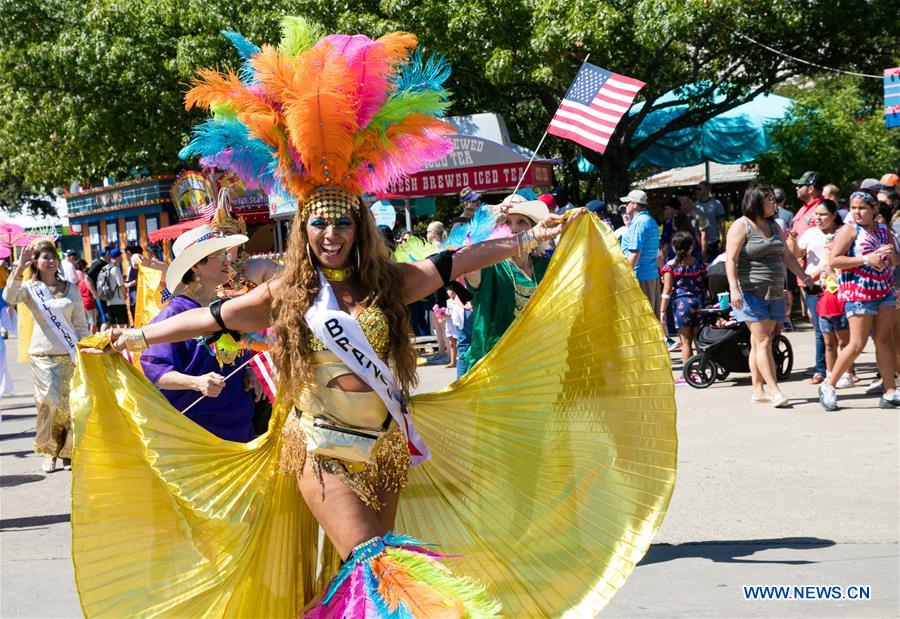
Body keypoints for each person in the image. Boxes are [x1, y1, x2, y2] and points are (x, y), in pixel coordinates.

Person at [71, 28, 676, 618]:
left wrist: (529, 238)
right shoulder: (287, 294)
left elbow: (459, 259)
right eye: (318, 223)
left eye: (342, 223)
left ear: (359, 228)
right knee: (376, 564)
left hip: (384, 447)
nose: (330, 233)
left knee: (359, 574)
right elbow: (208, 319)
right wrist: (132, 335)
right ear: (303, 231)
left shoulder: (391, 284)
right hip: (320, 448)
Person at [140, 225, 260, 442]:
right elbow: (154, 369)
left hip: (240, 428)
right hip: (198, 436)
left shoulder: (226, 307)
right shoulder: (175, 312)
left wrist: (248, 370)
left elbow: (234, 353)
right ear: (196, 265)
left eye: (225, 254)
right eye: (218, 256)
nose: (226, 261)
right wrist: (196, 382)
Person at [3, 239, 89, 472]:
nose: (50, 261)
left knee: (71, 405)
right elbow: (9, 297)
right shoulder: (30, 289)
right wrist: (18, 269)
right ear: (36, 262)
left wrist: (84, 348)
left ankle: (68, 453)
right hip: (43, 356)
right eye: (45, 257)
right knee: (49, 404)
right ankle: (50, 451)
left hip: (69, 354)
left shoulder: (70, 288)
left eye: (53, 257)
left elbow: (80, 324)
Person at [726, 183, 812, 408]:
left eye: (774, 199)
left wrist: (804, 276)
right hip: (751, 292)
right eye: (769, 199)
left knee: (758, 341)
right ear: (756, 201)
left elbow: (787, 256)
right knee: (764, 340)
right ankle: (775, 390)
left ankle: (757, 390)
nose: (774, 203)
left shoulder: (774, 225)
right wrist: (734, 288)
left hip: (774, 291)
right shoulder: (741, 226)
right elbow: (731, 259)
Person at [818, 192, 899, 411]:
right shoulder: (849, 230)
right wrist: (866, 259)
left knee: (884, 340)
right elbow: (834, 260)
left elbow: (894, 260)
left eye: (862, 208)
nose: (856, 212)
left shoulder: (883, 230)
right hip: (858, 293)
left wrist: (889, 254)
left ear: (874, 209)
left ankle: (890, 391)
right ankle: (829, 385)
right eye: (853, 208)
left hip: (884, 291)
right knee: (856, 344)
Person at [463, 199, 551, 368]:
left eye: (521, 222)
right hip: (495, 367)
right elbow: (464, 259)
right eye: (507, 222)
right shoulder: (488, 266)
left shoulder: (545, 266)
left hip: (538, 363)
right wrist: (488, 223)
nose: (514, 228)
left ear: (535, 229)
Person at [796, 198, 856, 387]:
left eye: (823, 214)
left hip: (840, 289)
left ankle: (848, 372)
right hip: (816, 289)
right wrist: (791, 240)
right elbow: (797, 254)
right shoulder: (810, 233)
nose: (818, 218)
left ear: (834, 215)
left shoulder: (844, 232)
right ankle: (823, 371)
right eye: (816, 214)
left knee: (844, 336)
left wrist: (829, 270)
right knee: (822, 334)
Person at [787, 171, 826, 375]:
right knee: (815, 321)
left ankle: (824, 367)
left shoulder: (822, 209)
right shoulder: (803, 210)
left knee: (823, 324)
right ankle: (823, 363)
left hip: (820, 276)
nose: (796, 188)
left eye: (800, 185)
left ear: (810, 188)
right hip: (804, 274)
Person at [660, 231, 706, 382]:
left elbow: (667, 290)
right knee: (698, 340)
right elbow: (704, 285)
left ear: (674, 247)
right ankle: (701, 372)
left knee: (685, 342)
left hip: (681, 306)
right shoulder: (698, 264)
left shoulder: (670, 267)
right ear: (691, 246)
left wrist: (662, 311)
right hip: (698, 303)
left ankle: (687, 375)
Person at [621, 189, 661, 317]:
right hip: (651, 276)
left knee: (641, 319)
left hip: (640, 277)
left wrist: (624, 276)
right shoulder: (650, 221)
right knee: (650, 319)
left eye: (627, 202)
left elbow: (635, 253)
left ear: (634, 204)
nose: (626, 206)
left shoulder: (638, 223)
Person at [694, 181, 726, 259]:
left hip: (713, 241)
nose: (697, 190)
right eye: (697, 189)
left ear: (707, 189)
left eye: (699, 188)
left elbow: (721, 223)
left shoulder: (717, 204)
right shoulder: (695, 205)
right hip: (698, 243)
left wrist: (723, 239)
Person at [677, 189, 709, 258]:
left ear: (689, 200)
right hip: (680, 249)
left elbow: (704, 234)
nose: (679, 203)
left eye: (681, 200)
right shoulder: (678, 214)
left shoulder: (698, 214)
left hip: (695, 249)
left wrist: (704, 251)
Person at [99, 248, 128, 326]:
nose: (121, 258)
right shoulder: (116, 269)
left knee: (113, 325)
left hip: (109, 300)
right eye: (120, 256)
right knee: (122, 324)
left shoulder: (105, 268)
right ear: (117, 257)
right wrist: (125, 295)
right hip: (119, 300)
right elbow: (121, 285)